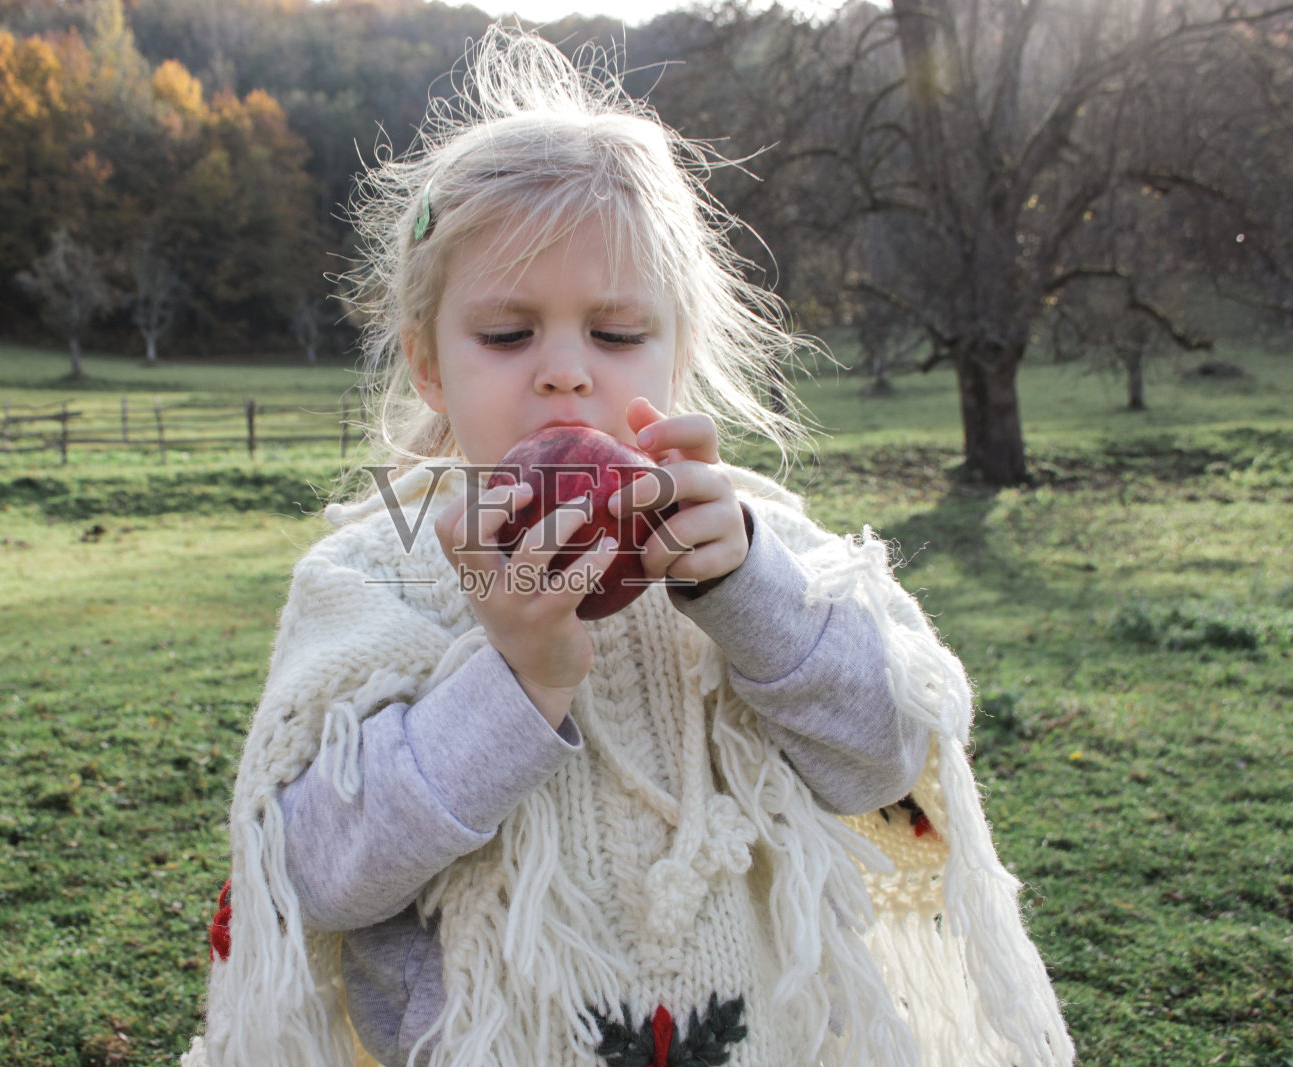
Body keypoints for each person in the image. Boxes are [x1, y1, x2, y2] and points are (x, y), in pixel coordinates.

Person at [184, 25, 1072, 1067]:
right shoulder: (378, 572)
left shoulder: (750, 543)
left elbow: (878, 756)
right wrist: (515, 679)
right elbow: (325, 867)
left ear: (677, 350)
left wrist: (748, 591)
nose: (564, 372)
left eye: (613, 335)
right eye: (507, 335)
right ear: (428, 365)